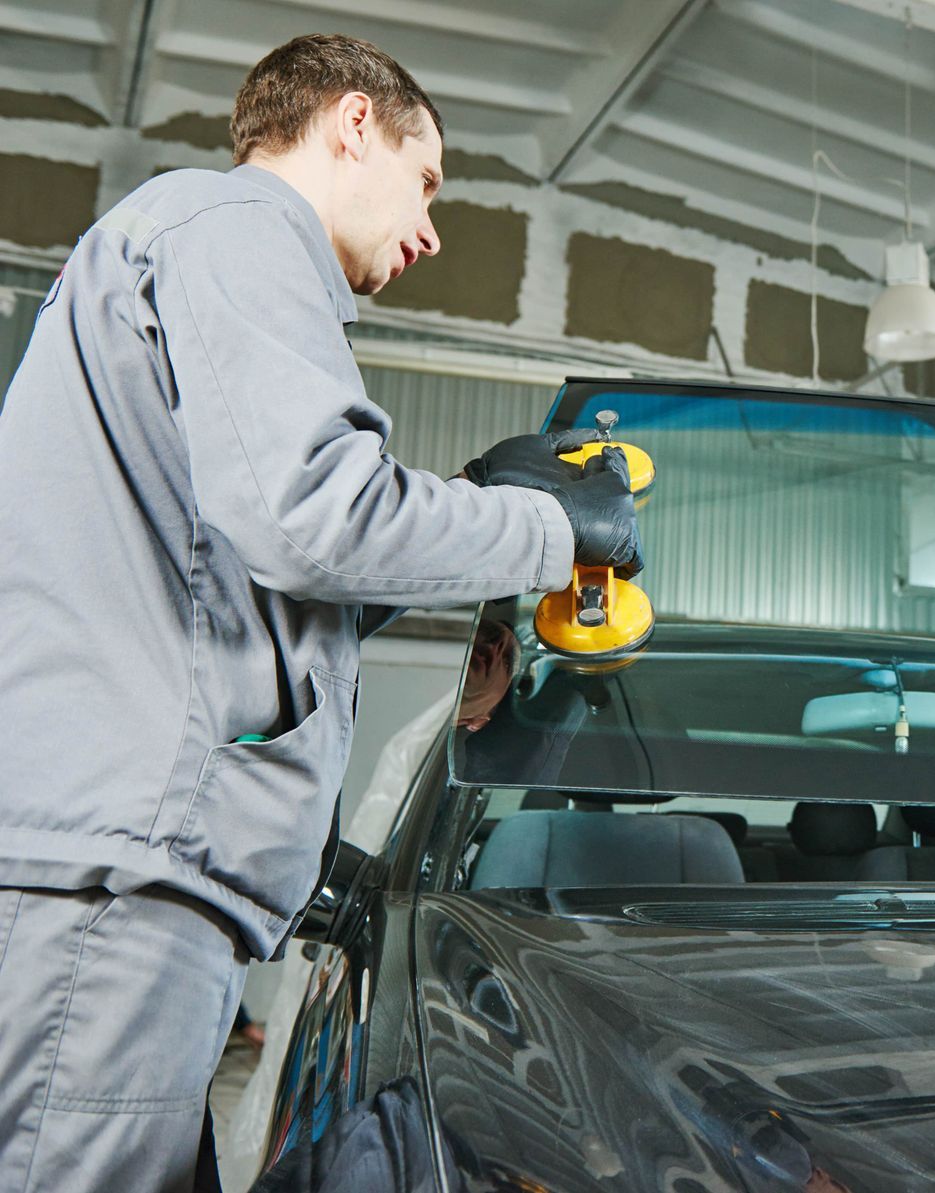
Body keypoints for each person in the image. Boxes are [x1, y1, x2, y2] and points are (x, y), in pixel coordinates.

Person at [0, 34, 639, 1193]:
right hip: (122, 889)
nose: (433, 229)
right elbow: (313, 517)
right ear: (353, 123)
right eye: (428, 177)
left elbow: (260, 579)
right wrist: (557, 533)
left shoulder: (176, 247)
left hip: (122, 876)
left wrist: (482, 499)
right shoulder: (238, 229)